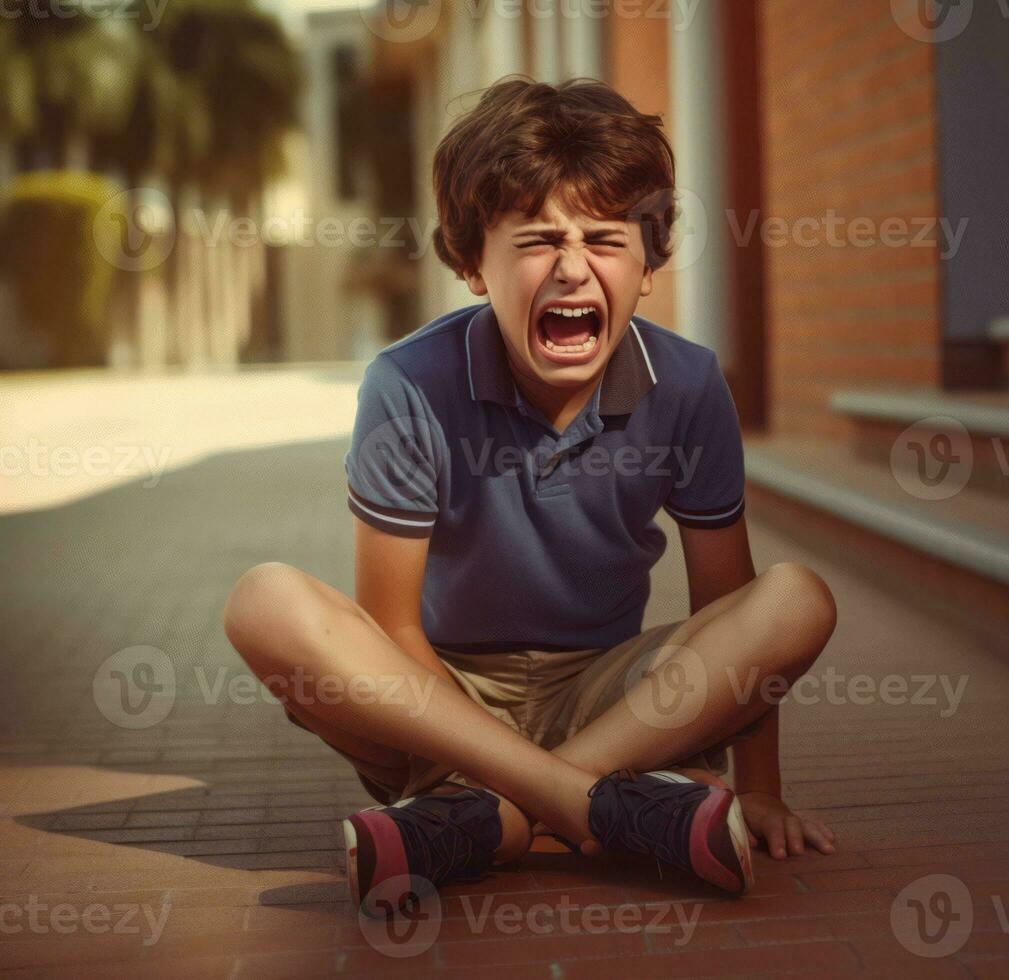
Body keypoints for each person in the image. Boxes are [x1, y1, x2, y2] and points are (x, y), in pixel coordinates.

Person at [222, 76, 838, 912]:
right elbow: (393, 624)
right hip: (438, 695)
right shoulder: (407, 384)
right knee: (264, 602)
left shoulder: (688, 384)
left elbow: (725, 604)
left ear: (650, 264)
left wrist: (759, 788)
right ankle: (600, 807)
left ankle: (488, 820)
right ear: (475, 263)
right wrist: (491, 760)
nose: (573, 268)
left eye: (604, 239)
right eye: (539, 239)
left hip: (619, 695)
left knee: (796, 599)